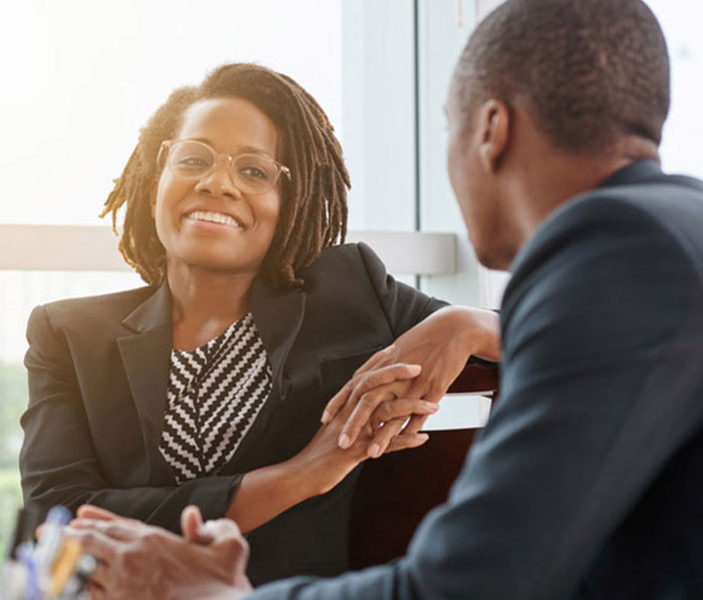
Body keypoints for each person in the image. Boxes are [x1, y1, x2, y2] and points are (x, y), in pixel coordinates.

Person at [69, 0, 703, 598]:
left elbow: (464, 587)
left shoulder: (618, 250)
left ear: (491, 129)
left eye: (447, 129)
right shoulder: (671, 229)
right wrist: (466, 326)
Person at [19, 62, 499, 585]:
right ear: (156, 179)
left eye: (253, 170)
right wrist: (303, 475)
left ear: (290, 203)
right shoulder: (66, 335)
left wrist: (462, 323)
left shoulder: (351, 293)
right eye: (193, 158)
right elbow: (57, 519)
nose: (217, 183)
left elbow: (556, 338)